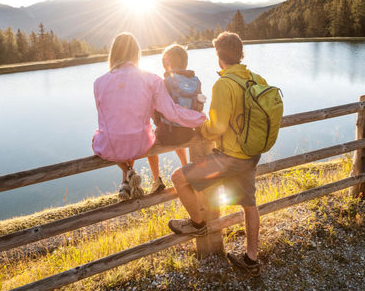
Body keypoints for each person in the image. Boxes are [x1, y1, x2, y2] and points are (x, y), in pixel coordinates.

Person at [168, 32, 267, 276]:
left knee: (178, 179)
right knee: (249, 204)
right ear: (241, 53)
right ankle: (251, 260)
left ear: (219, 56)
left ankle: (198, 225)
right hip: (251, 154)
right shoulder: (256, 78)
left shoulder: (224, 83)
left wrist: (202, 128)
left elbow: (218, 127)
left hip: (229, 159)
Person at [92, 33, 206, 201]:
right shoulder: (152, 79)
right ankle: (133, 175)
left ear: (113, 53)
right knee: (140, 133)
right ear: (137, 53)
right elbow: (171, 112)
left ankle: (128, 172)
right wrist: (199, 117)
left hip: (110, 147)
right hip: (142, 145)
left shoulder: (99, 82)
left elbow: (103, 118)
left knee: (98, 139)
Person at [146, 44, 205, 193]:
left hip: (167, 135)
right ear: (186, 63)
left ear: (167, 65)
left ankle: (157, 179)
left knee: (149, 136)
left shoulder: (164, 82)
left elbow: (156, 110)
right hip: (188, 133)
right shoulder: (195, 82)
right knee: (177, 125)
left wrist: (157, 123)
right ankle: (185, 165)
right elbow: (199, 107)